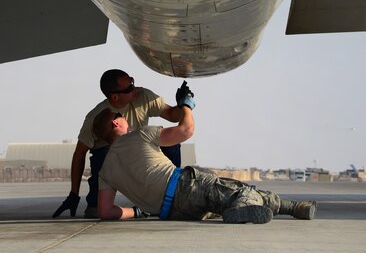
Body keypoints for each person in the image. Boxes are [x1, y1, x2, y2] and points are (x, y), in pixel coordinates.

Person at [92, 98, 317, 224]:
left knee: (225, 200)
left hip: (172, 213)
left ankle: (296, 208)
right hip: (186, 186)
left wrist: (138, 211)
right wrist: (186, 106)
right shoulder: (140, 134)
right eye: (121, 116)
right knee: (240, 191)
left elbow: (106, 212)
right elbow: (186, 130)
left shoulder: (106, 171)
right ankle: (246, 206)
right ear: (116, 123)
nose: (125, 118)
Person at [53, 69, 190, 219]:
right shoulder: (96, 117)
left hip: (139, 152)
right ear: (115, 97)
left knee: (171, 144)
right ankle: (96, 201)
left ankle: (172, 191)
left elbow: (172, 115)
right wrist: (74, 194)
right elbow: (79, 154)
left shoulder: (143, 96)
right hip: (112, 159)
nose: (135, 89)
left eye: (132, 81)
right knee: (96, 203)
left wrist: (183, 105)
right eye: (129, 88)